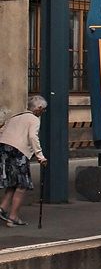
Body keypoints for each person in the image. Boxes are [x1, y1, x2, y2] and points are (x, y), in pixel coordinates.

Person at [0, 95, 48, 227]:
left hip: (4, 148)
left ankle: (3, 208)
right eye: (43, 110)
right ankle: (13, 217)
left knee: (12, 182)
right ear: (38, 108)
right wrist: (40, 156)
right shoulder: (33, 119)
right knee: (22, 185)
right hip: (18, 151)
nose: (43, 112)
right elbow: (33, 137)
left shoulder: (15, 117)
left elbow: (2, 130)